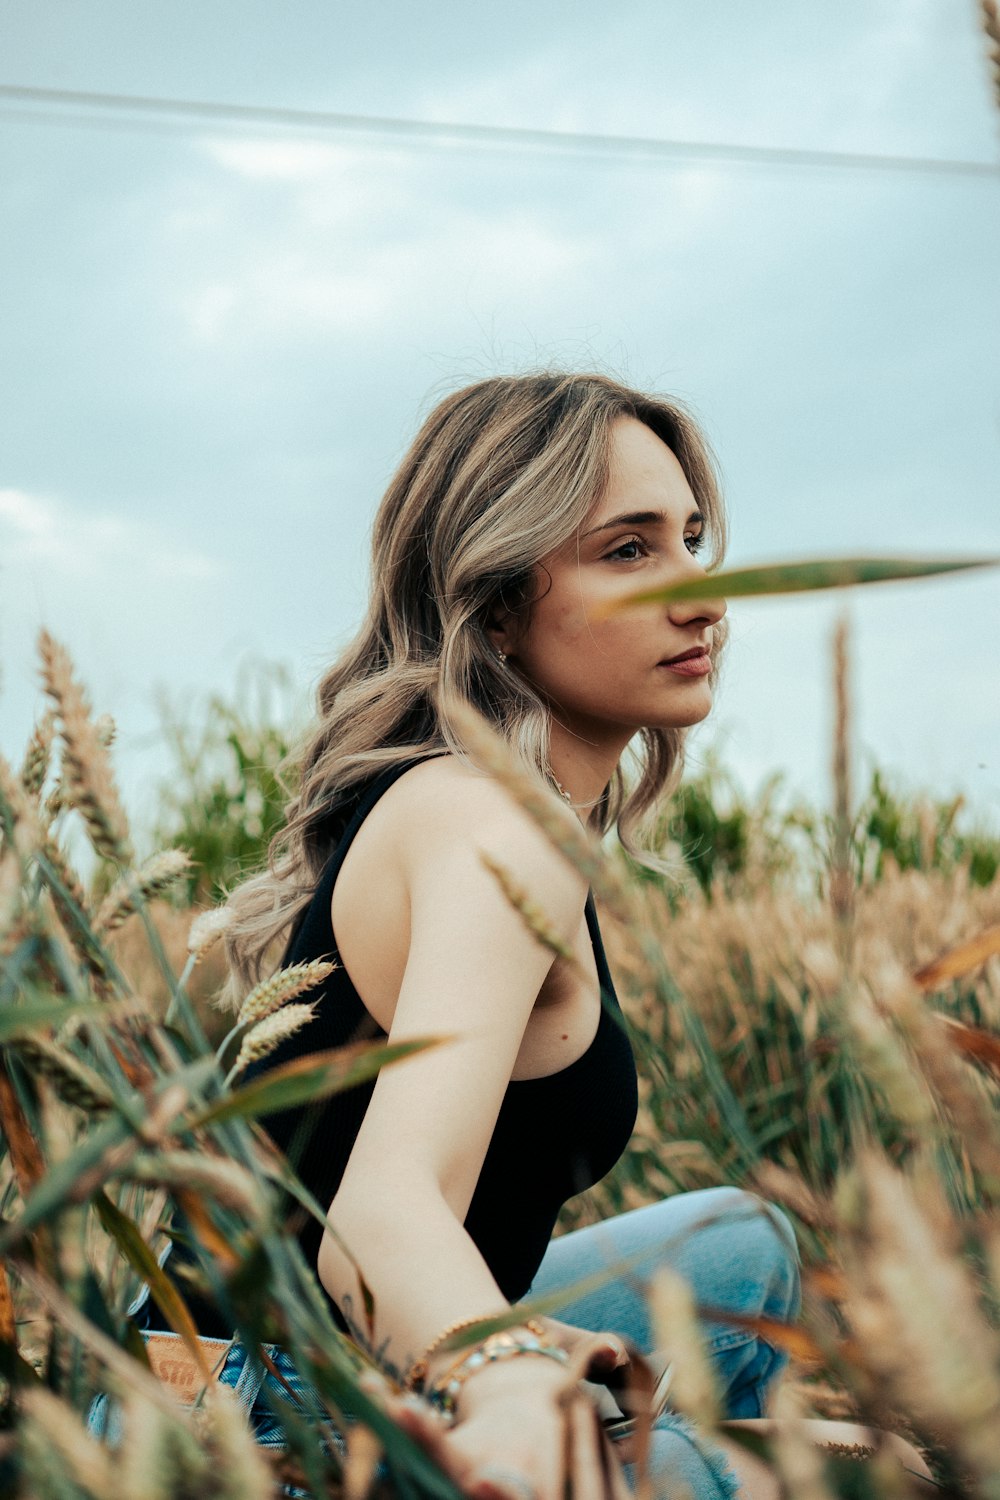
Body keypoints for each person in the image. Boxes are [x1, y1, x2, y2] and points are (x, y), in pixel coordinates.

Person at [206, 374, 920, 1498]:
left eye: (691, 538)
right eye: (628, 551)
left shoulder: (488, 799)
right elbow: (376, 1217)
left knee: (740, 1240)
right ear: (494, 605)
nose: (705, 596)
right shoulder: (497, 819)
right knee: (782, 1478)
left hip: (300, 1355)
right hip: (252, 1413)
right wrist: (515, 1382)